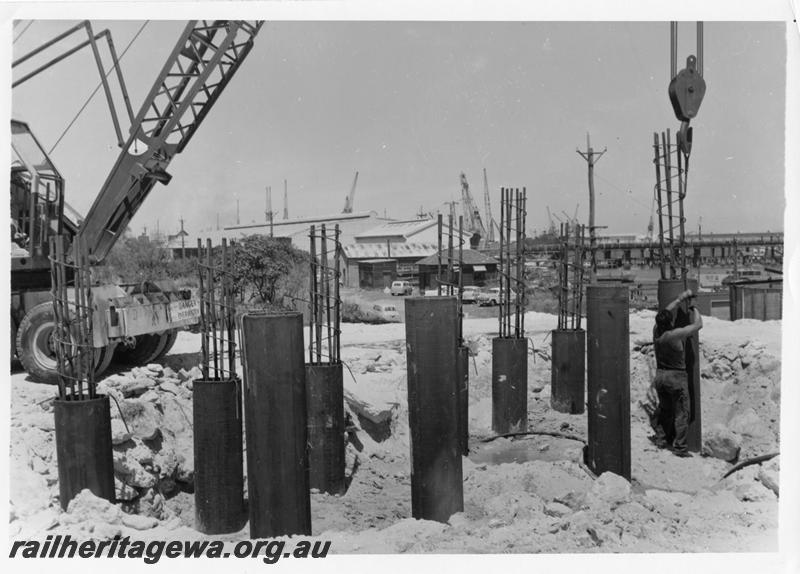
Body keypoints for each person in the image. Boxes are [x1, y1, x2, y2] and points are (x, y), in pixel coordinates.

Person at [652, 288, 703, 457]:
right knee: (682, 413)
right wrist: (693, 307)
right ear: (670, 322)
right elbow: (698, 325)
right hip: (676, 376)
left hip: (660, 375)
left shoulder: (656, 331)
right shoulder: (675, 335)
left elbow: (666, 311)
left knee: (665, 410)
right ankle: (680, 448)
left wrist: (679, 298)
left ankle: (661, 439)